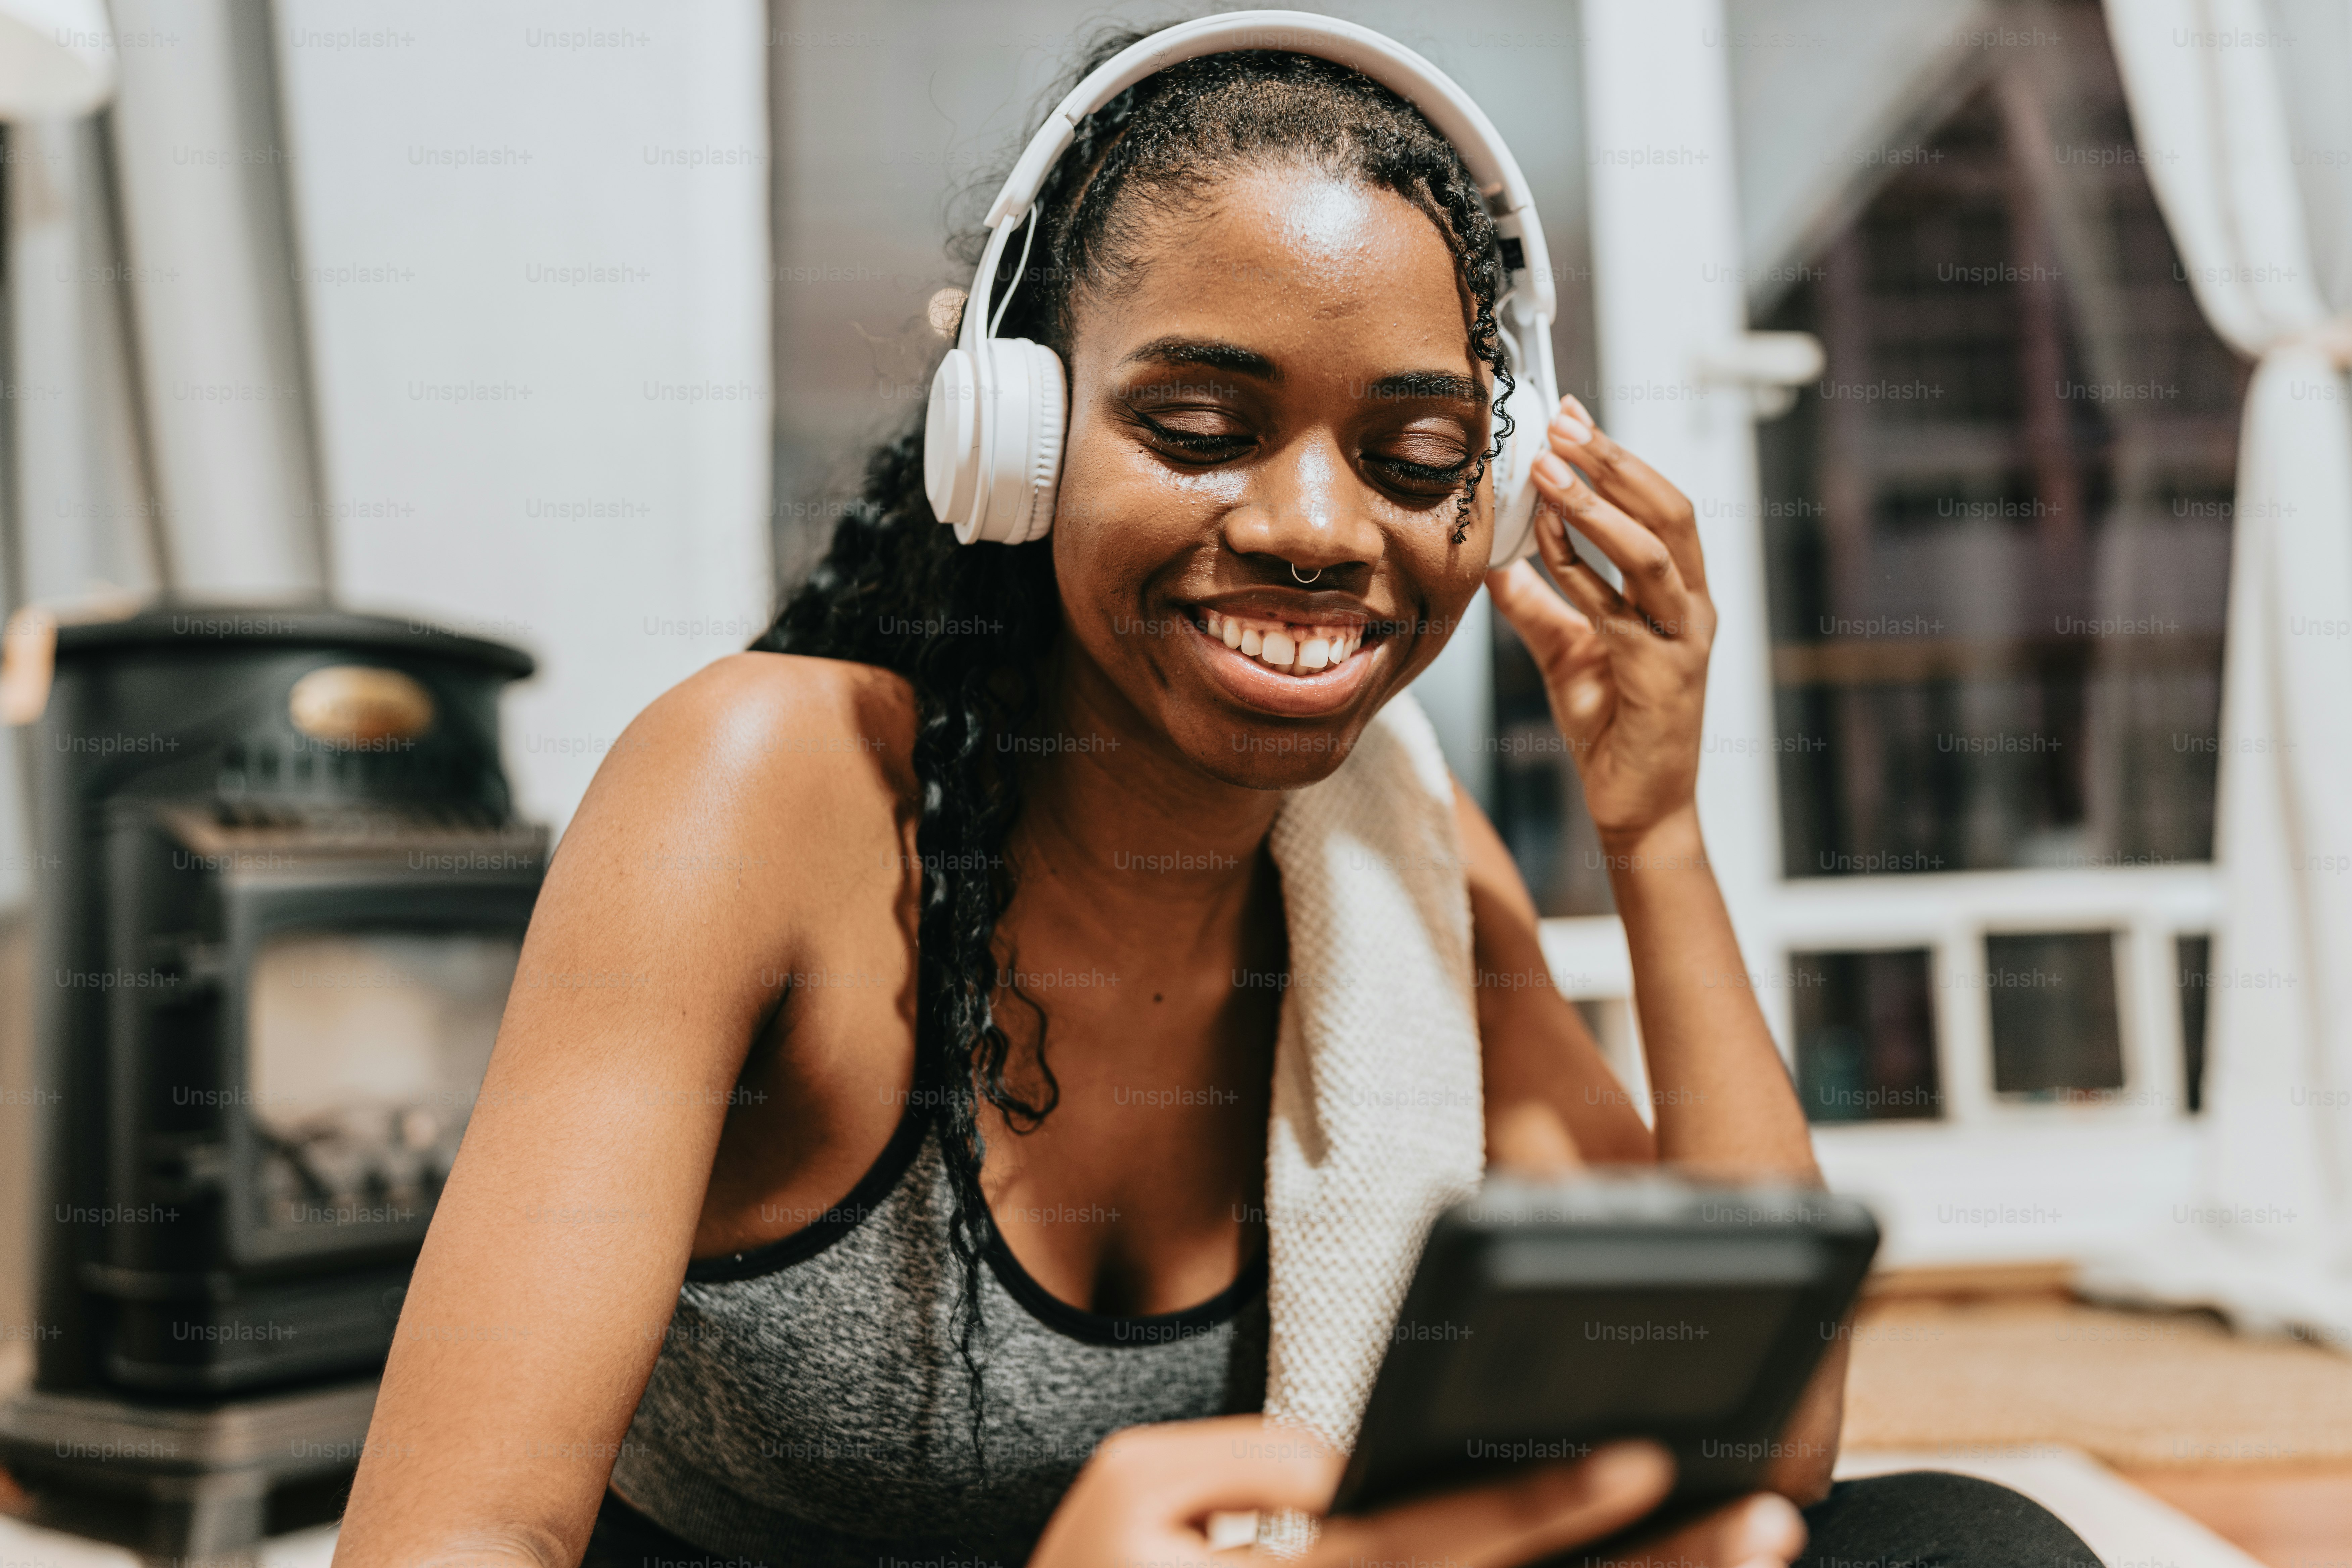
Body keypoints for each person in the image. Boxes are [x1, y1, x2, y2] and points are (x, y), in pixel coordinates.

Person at [329, 28, 2102, 1568]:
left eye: (1411, 459)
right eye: (1197, 426)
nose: (1321, 532)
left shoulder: (1397, 860)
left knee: (1966, 1545)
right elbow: (442, 1541)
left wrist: (1653, 834)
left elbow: (1755, 1451)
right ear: (1014, 437)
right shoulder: (763, 785)